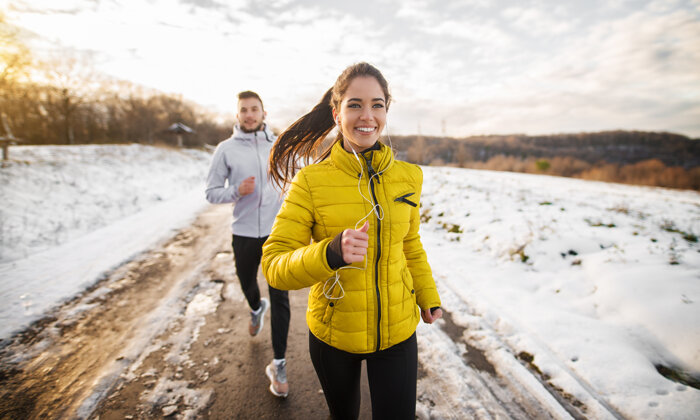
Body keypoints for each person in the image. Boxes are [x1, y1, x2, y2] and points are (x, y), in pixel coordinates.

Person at [261, 63, 443, 419]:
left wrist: (427, 294)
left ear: (386, 110)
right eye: (355, 104)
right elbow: (274, 267)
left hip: (397, 331)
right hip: (334, 334)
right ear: (336, 112)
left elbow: (410, 245)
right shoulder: (311, 182)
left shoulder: (409, 177)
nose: (367, 116)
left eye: (377, 105)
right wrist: (329, 253)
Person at [205, 91, 290, 398]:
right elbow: (212, 192)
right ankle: (256, 308)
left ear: (264, 113)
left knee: (281, 297)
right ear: (238, 115)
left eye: (255, 109)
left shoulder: (279, 145)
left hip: (276, 234)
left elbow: (291, 180)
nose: (250, 114)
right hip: (242, 233)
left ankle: (279, 364)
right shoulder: (225, 150)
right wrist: (236, 191)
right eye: (244, 110)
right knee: (247, 283)